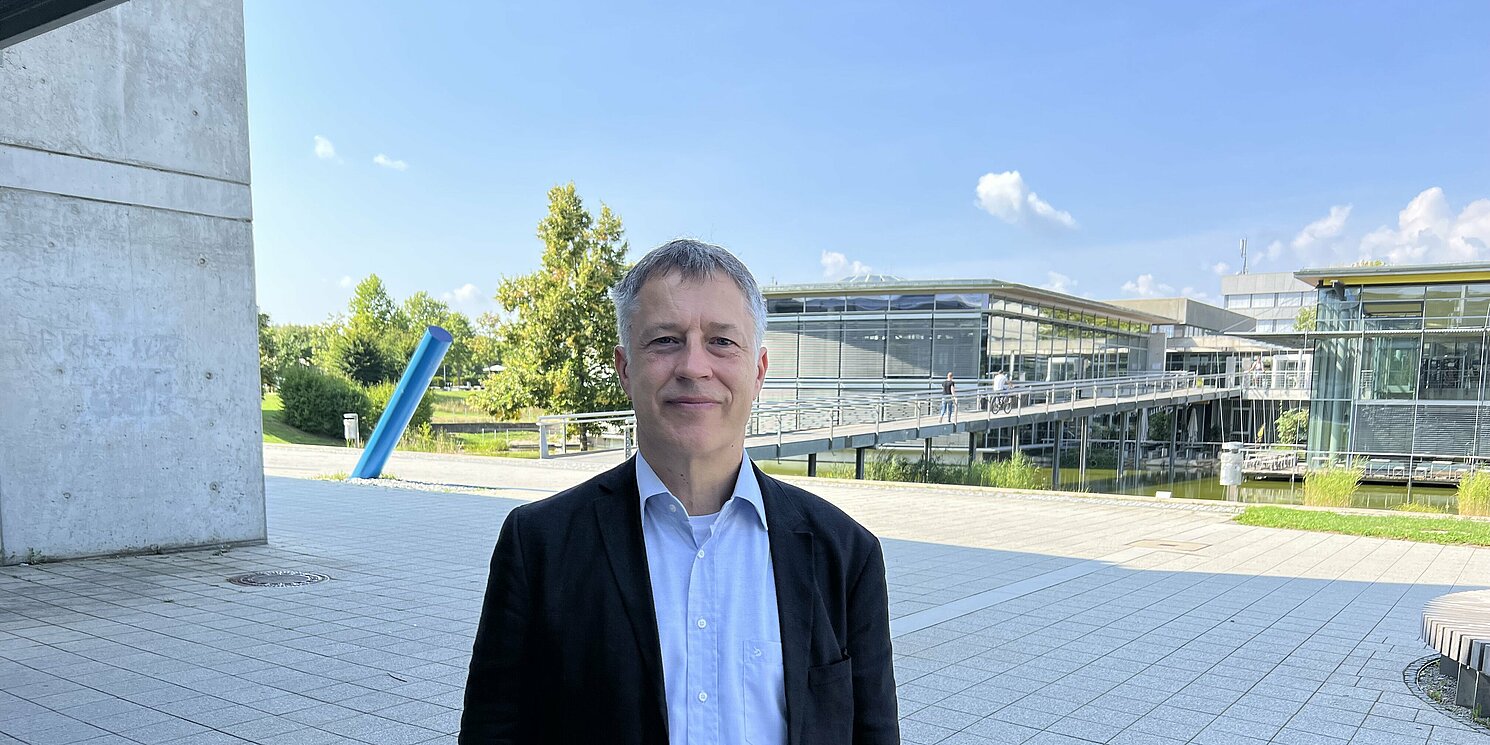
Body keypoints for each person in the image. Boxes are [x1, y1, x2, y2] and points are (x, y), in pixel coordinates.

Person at [460, 239, 899, 745]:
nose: (694, 366)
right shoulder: (539, 546)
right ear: (626, 369)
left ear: (758, 371)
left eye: (721, 341)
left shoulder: (846, 555)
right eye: (666, 340)